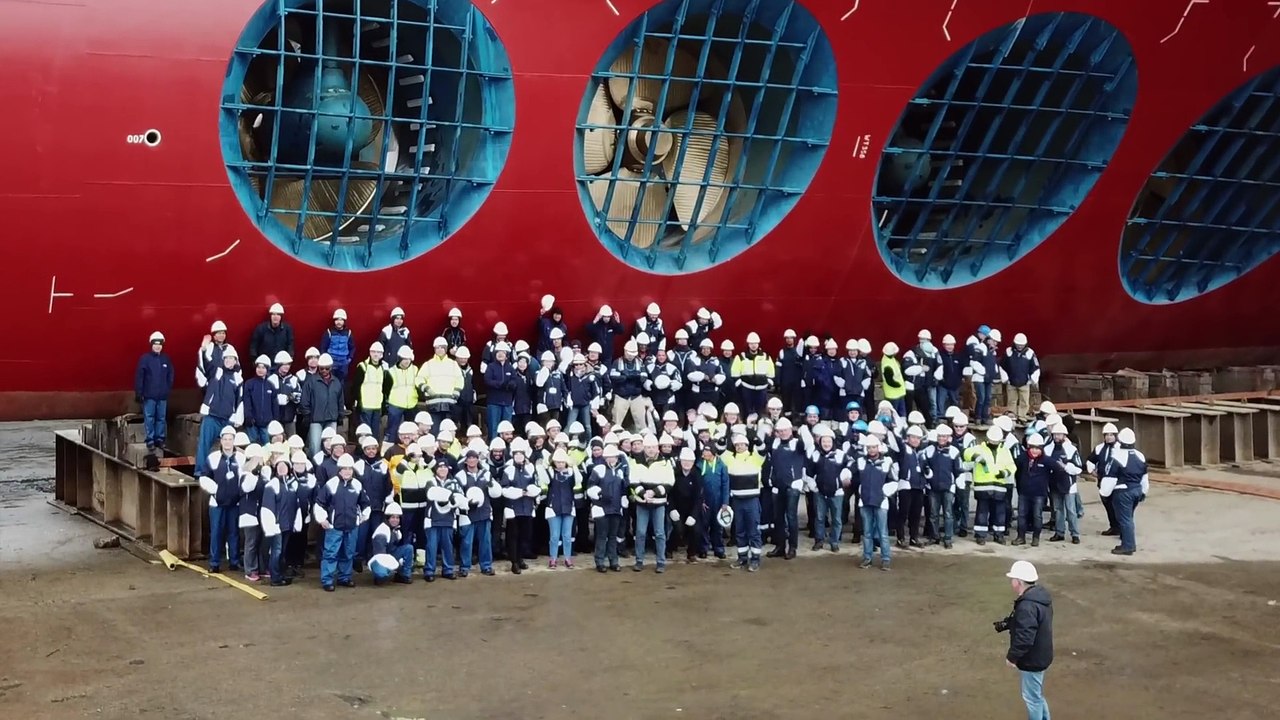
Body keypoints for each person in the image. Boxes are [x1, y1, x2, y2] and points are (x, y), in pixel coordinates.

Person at [1000, 560, 1053, 720]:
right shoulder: (1040, 598)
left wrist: (1012, 657)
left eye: (1012, 579)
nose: (1011, 583)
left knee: (1032, 698)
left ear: (1018, 582)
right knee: (1036, 695)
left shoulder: (1027, 606)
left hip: (1032, 659)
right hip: (1042, 654)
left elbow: (1025, 638)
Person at [312, 454, 371, 591]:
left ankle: (344, 577)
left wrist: (364, 516)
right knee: (331, 553)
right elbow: (319, 503)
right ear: (339, 470)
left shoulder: (357, 485)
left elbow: (365, 503)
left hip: (352, 526)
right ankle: (327, 580)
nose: (347, 471)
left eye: (350, 469)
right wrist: (322, 519)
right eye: (344, 468)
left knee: (348, 553)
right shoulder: (331, 484)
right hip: (334, 526)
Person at [1103, 427, 1149, 556]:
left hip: (1123, 491)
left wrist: (1105, 493)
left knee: (1124, 519)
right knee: (1128, 517)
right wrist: (1144, 491)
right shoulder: (1140, 456)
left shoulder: (1116, 456)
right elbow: (1144, 477)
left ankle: (1128, 545)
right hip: (1137, 490)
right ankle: (1126, 541)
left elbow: (1110, 478)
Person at [134, 331, 174, 452]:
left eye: (160, 344)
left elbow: (170, 375)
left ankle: (160, 439)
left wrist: (167, 388)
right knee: (149, 417)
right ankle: (150, 440)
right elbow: (140, 376)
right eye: (155, 344)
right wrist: (139, 392)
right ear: (151, 345)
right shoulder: (145, 359)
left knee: (161, 418)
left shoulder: (166, 359)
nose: (158, 346)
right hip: (149, 395)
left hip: (162, 395)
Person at [368, 502, 414, 585]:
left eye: (397, 518)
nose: (395, 520)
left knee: (408, 548)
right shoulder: (382, 532)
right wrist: (395, 565)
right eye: (393, 517)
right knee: (381, 574)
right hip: (378, 558)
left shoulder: (395, 530)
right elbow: (380, 556)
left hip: (390, 553)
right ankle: (378, 575)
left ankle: (404, 575)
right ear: (387, 518)